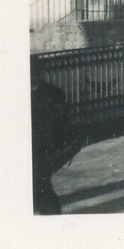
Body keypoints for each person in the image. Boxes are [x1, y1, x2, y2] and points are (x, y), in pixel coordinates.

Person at [30, 61, 78, 215]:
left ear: (39, 74)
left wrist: (63, 150)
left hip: (44, 149)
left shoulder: (54, 94)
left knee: (41, 186)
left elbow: (62, 124)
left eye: (32, 73)